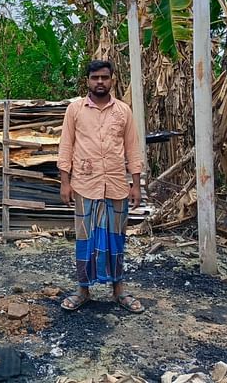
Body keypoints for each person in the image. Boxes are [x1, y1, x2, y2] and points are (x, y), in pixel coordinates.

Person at [57, 59, 145, 313]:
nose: (100, 82)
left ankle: (118, 290)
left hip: (117, 184)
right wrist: (65, 182)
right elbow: (66, 147)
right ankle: (83, 290)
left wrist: (136, 184)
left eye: (104, 78)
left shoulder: (123, 111)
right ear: (87, 80)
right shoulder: (75, 110)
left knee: (116, 239)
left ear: (112, 80)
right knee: (85, 239)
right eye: (95, 78)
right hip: (85, 184)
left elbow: (132, 148)